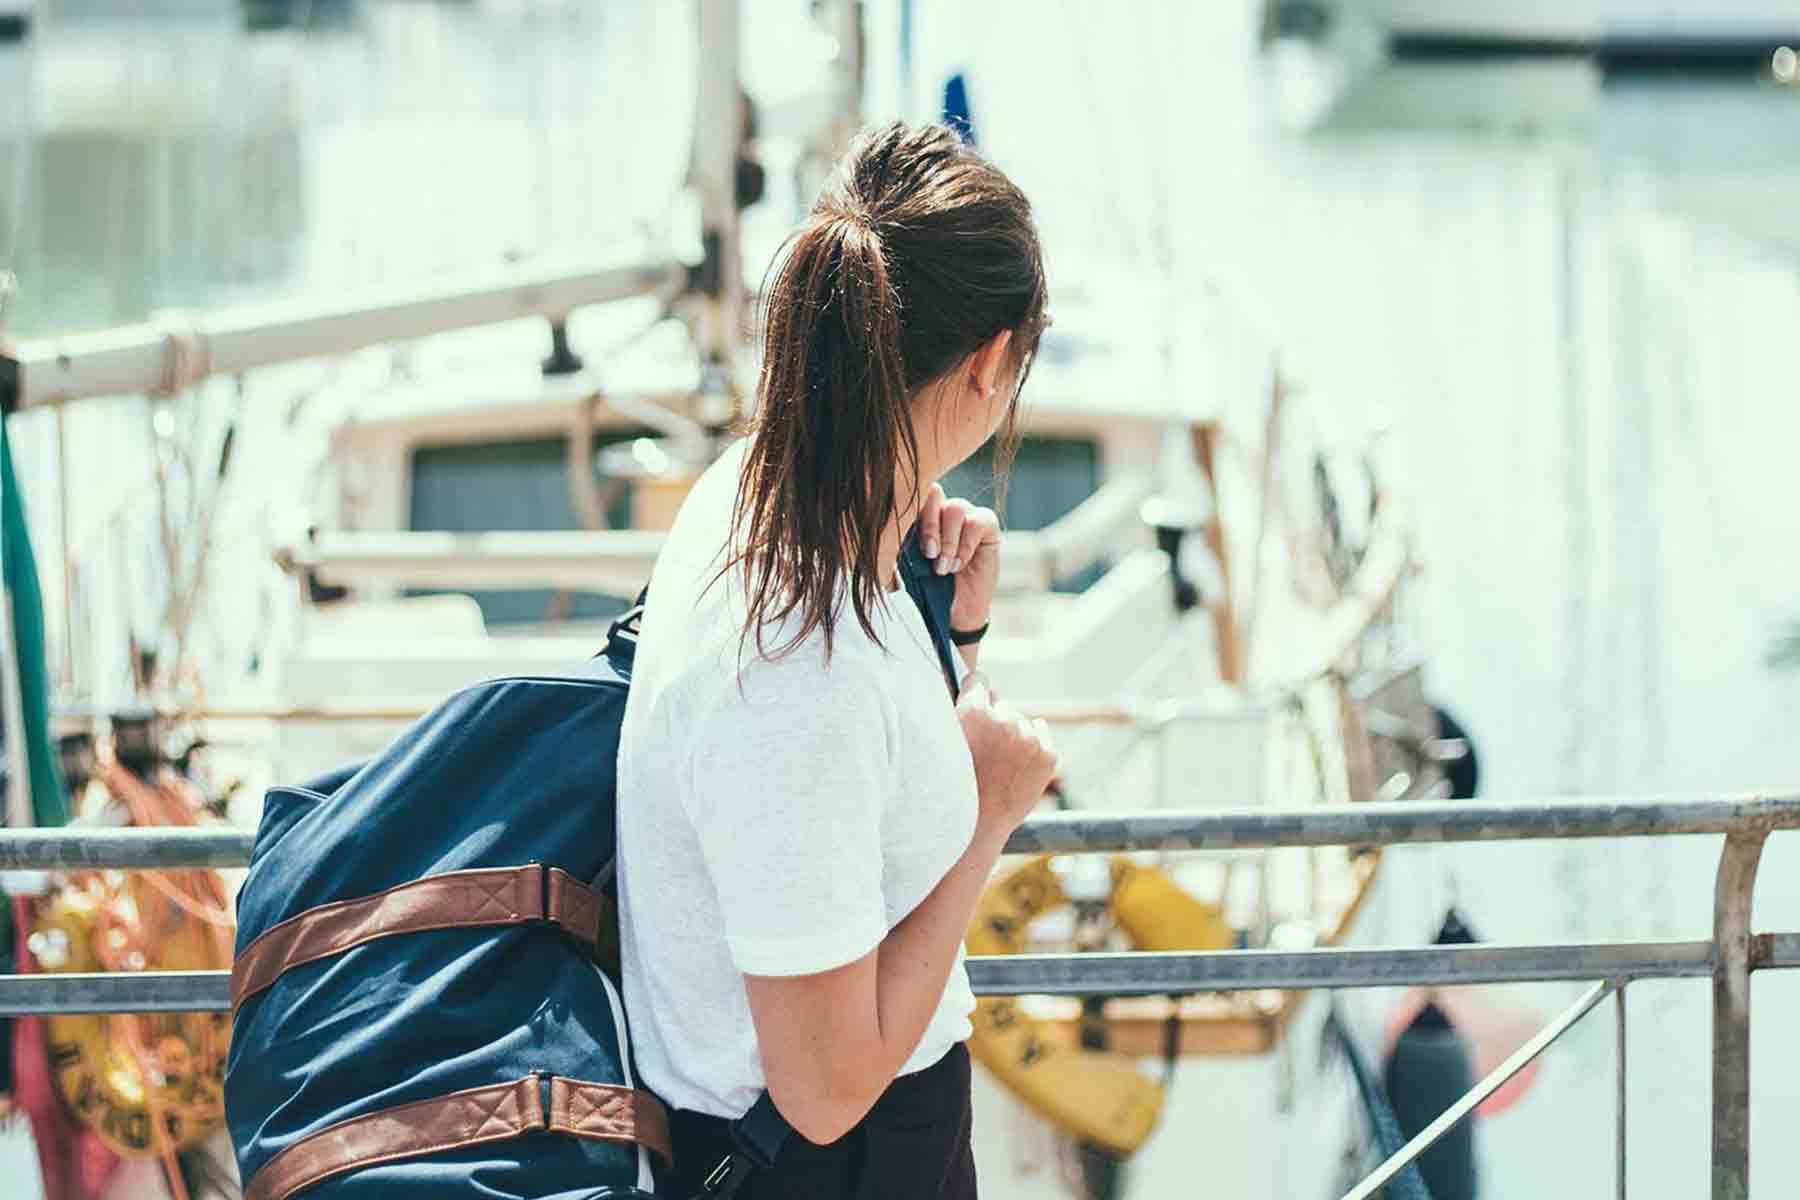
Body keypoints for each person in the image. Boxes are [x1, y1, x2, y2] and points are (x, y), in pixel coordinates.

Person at [616, 121, 1056, 1199]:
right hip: (830, 1164)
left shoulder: (764, 489)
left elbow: (868, 800)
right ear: (991, 360)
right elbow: (821, 1086)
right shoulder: (795, 664)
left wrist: (952, 630)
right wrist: (992, 815)